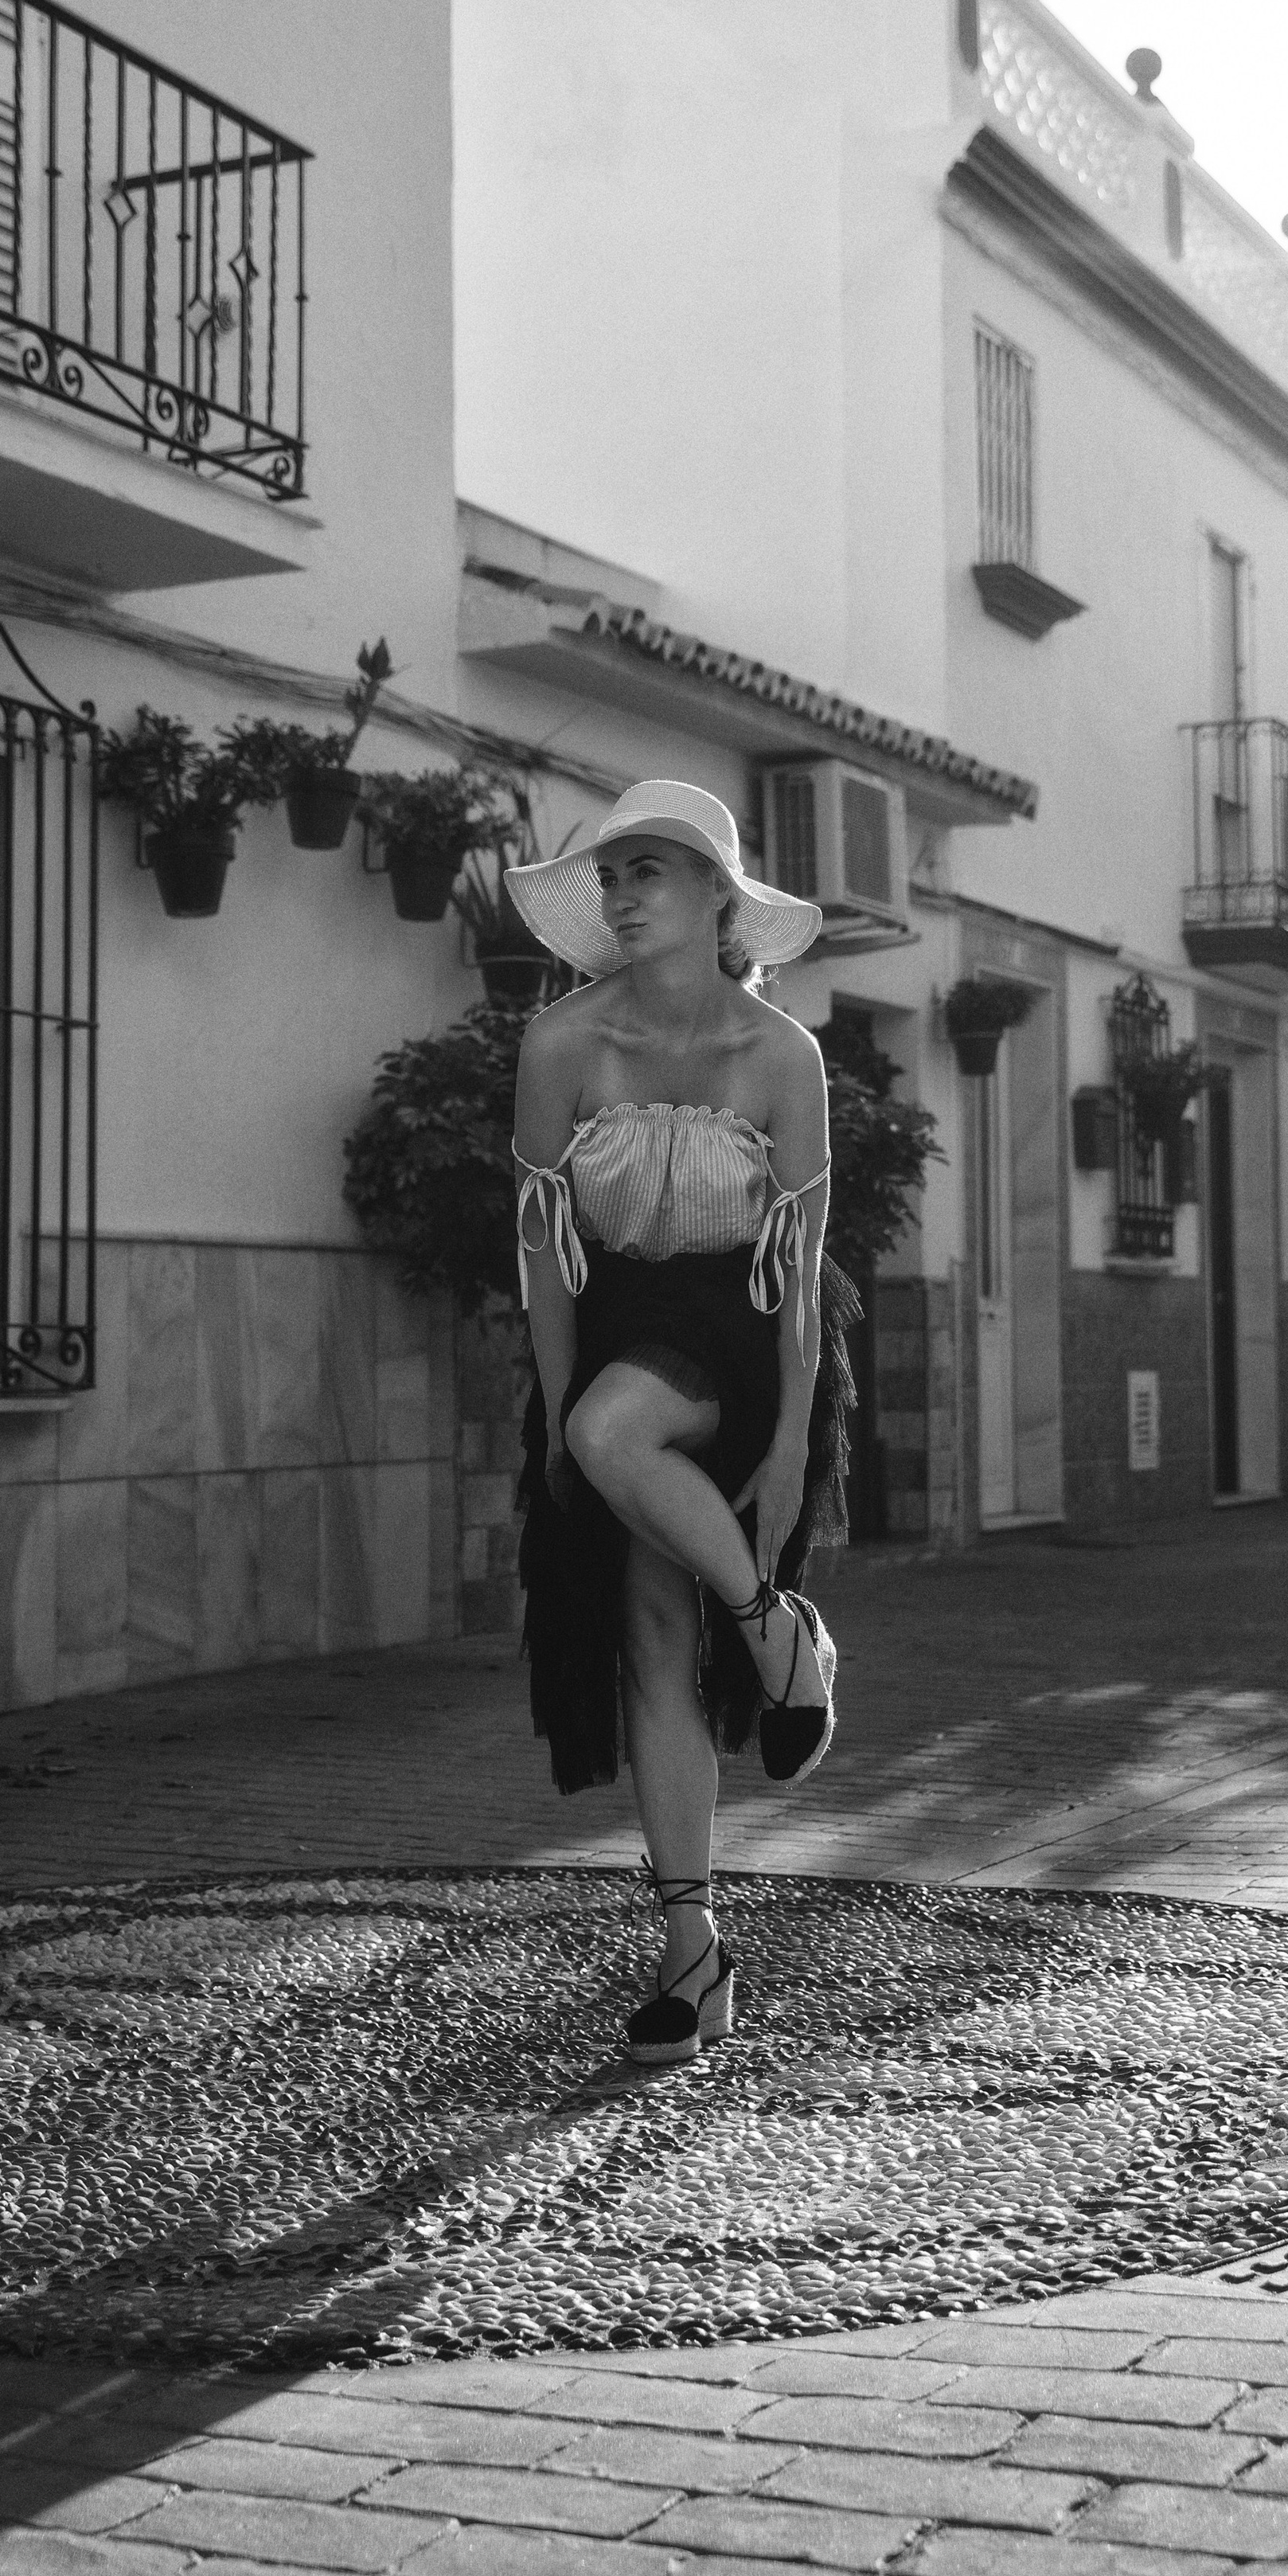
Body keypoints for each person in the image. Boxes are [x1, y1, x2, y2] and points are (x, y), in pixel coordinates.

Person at [507, 780, 858, 2070]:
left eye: (650, 868)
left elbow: (806, 1270)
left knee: (615, 1437)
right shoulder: (562, 1045)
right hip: (608, 1337)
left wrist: (786, 1446)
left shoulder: (784, 1056)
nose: (622, 891)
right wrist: (551, 1407)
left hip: (746, 1336)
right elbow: (546, 1257)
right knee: (652, 1642)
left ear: (721, 897)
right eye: (610, 874)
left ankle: (777, 1633)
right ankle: (691, 1960)